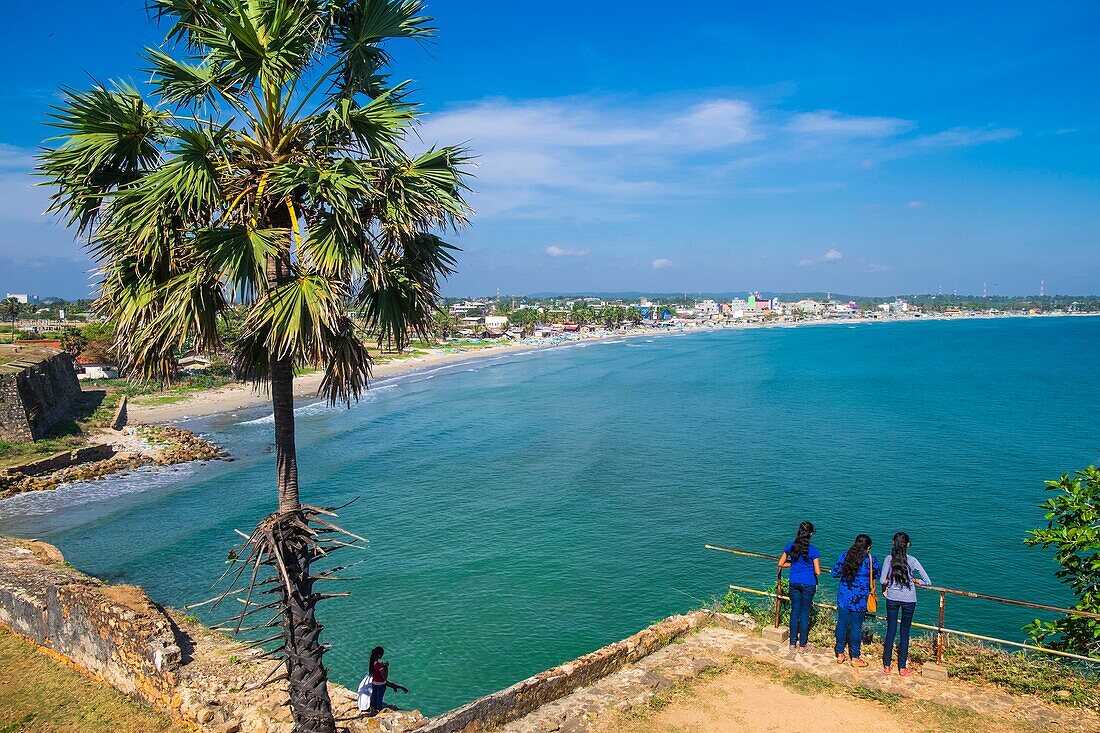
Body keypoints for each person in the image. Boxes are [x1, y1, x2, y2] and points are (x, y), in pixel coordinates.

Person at [881, 531, 931, 677]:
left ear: (893, 543)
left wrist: (887, 588)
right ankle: (902, 668)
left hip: (892, 598)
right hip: (909, 599)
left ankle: (887, 666)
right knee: (905, 633)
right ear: (908, 545)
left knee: (890, 631)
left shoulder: (889, 559)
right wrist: (915, 581)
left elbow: (882, 580)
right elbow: (928, 582)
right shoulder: (913, 560)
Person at [831, 533, 880, 667]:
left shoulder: (844, 556)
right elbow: (878, 574)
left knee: (842, 624)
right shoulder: (870, 560)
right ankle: (855, 657)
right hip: (860, 598)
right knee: (856, 628)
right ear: (868, 548)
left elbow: (835, 573)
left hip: (844, 596)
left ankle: (840, 654)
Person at [777, 521, 821, 653]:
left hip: (794, 582)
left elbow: (780, 563)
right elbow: (818, 571)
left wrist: (792, 564)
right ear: (811, 534)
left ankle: (792, 644)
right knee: (805, 613)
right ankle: (802, 646)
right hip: (808, 584)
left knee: (795, 611)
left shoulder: (790, 546)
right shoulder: (813, 550)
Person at [357, 646, 409, 715]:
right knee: (379, 698)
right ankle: (379, 710)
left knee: (374, 696)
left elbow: (381, 679)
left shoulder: (372, 666)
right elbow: (384, 679)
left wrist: (397, 687)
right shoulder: (380, 666)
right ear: (379, 655)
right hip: (377, 690)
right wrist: (386, 668)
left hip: (361, 704)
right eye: (382, 654)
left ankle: (372, 710)